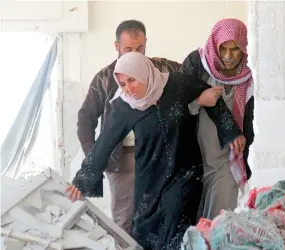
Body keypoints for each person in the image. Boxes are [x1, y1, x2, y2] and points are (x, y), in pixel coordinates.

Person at [67, 52, 245, 249]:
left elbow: (212, 98)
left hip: (185, 172)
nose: (129, 89)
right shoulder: (123, 106)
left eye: (132, 80)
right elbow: (104, 144)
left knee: (176, 224)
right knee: (144, 229)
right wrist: (82, 180)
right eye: (123, 84)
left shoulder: (177, 84)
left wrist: (231, 132)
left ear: (143, 73)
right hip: (150, 176)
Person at [76, 20, 180, 233]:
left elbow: (191, 77)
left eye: (140, 48)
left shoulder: (162, 68)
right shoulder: (104, 78)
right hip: (120, 158)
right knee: (124, 218)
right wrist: (95, 156)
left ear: (146, 43)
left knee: (160, 214)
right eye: (128, 49)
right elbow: (86, 118)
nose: (135, 53)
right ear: (117, 47)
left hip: (158, 154)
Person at [180, 18, 254, 220]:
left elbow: (251, 123)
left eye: (235, 50)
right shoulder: (198, 63)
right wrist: (200, 99)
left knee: (220, 218)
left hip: (229, 160)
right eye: (223, 49)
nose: (228, 57)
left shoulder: (250, 72)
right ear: (214, 45)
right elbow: (176, 99)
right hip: (196, 157)